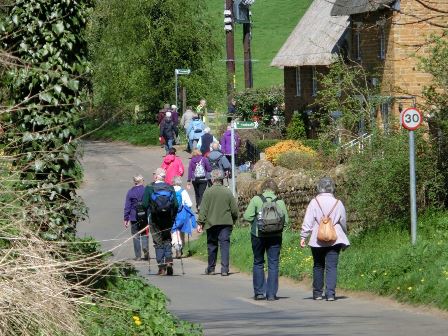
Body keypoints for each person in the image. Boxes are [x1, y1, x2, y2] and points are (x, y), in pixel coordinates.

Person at [300, 177, 350, 301]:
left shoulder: (314, 202)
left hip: (317, 239)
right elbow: (343, 221)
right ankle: (330, 294)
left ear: (319, 188)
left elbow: (308, 221)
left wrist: (303, 236)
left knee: (318, 265)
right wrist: (344, 233)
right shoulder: (338, 203)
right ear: (332, 188)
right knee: (331, 266)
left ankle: (317, 293)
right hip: (335, 239)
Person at [243, 179, 289, 301]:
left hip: (258, 235)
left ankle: (259, 293)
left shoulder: (256, 199)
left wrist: (256, 221)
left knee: (258, 262)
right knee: (273, 264)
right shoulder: (280, 202)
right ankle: (271, 294)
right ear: (275, 189)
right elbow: (286, 221)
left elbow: (247, 216)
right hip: (275, 237)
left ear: (263, 188)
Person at [197, 169, 238, 276]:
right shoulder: (227, 192)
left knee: (212, 245)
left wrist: (200, 222)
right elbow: (234, 209)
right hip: (225, 223)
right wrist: (234, 220)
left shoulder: (208, 192)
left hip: (211, 223)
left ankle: (211, 268)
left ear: (213, 179)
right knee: (224, 245)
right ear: (221, 179)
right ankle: (224, 269)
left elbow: (203, 209)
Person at [143, 168, 179, 275]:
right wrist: (173, 217)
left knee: (158, 241)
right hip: (168, 219)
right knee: (167, 239)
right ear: (164, 177)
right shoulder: (170, 187)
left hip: (155, 219)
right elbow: (176, 205)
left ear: (156, 176)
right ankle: (169, 260)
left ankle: (161, 266)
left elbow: (144, 204)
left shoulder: (149, 188)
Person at [123, 174, 149, 261]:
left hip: (134, 217)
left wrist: (126, 218)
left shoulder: (130, 192)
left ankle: (138, 255)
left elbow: (127, 206)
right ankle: (145, 249)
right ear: (142, 181)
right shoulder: (146, 190)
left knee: (135, 235)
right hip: (144, 216)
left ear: (134, 182)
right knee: (145, 233)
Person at [171, 175, 196, 258]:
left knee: (174, 231)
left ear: (173, 182)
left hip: (173, 215)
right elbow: (190, 204)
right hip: (182, 215)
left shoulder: (170, 191)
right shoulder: (183, 191)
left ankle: (177, 246)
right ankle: (181, 247)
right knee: (182, 231)